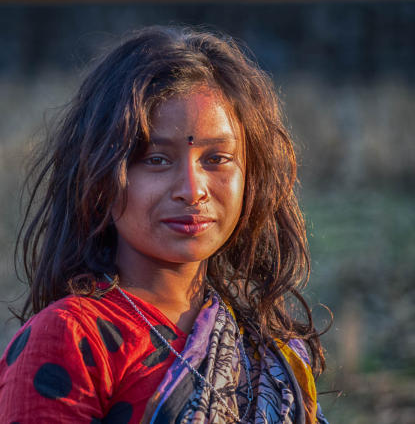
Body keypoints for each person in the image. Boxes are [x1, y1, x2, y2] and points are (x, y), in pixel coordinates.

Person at [0, 25, 328, 423]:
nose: (192, 191)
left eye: (217, 159)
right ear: (100, 177)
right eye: (156, 159)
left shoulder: (265, 350)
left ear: (251, 177)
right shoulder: (70, 338)